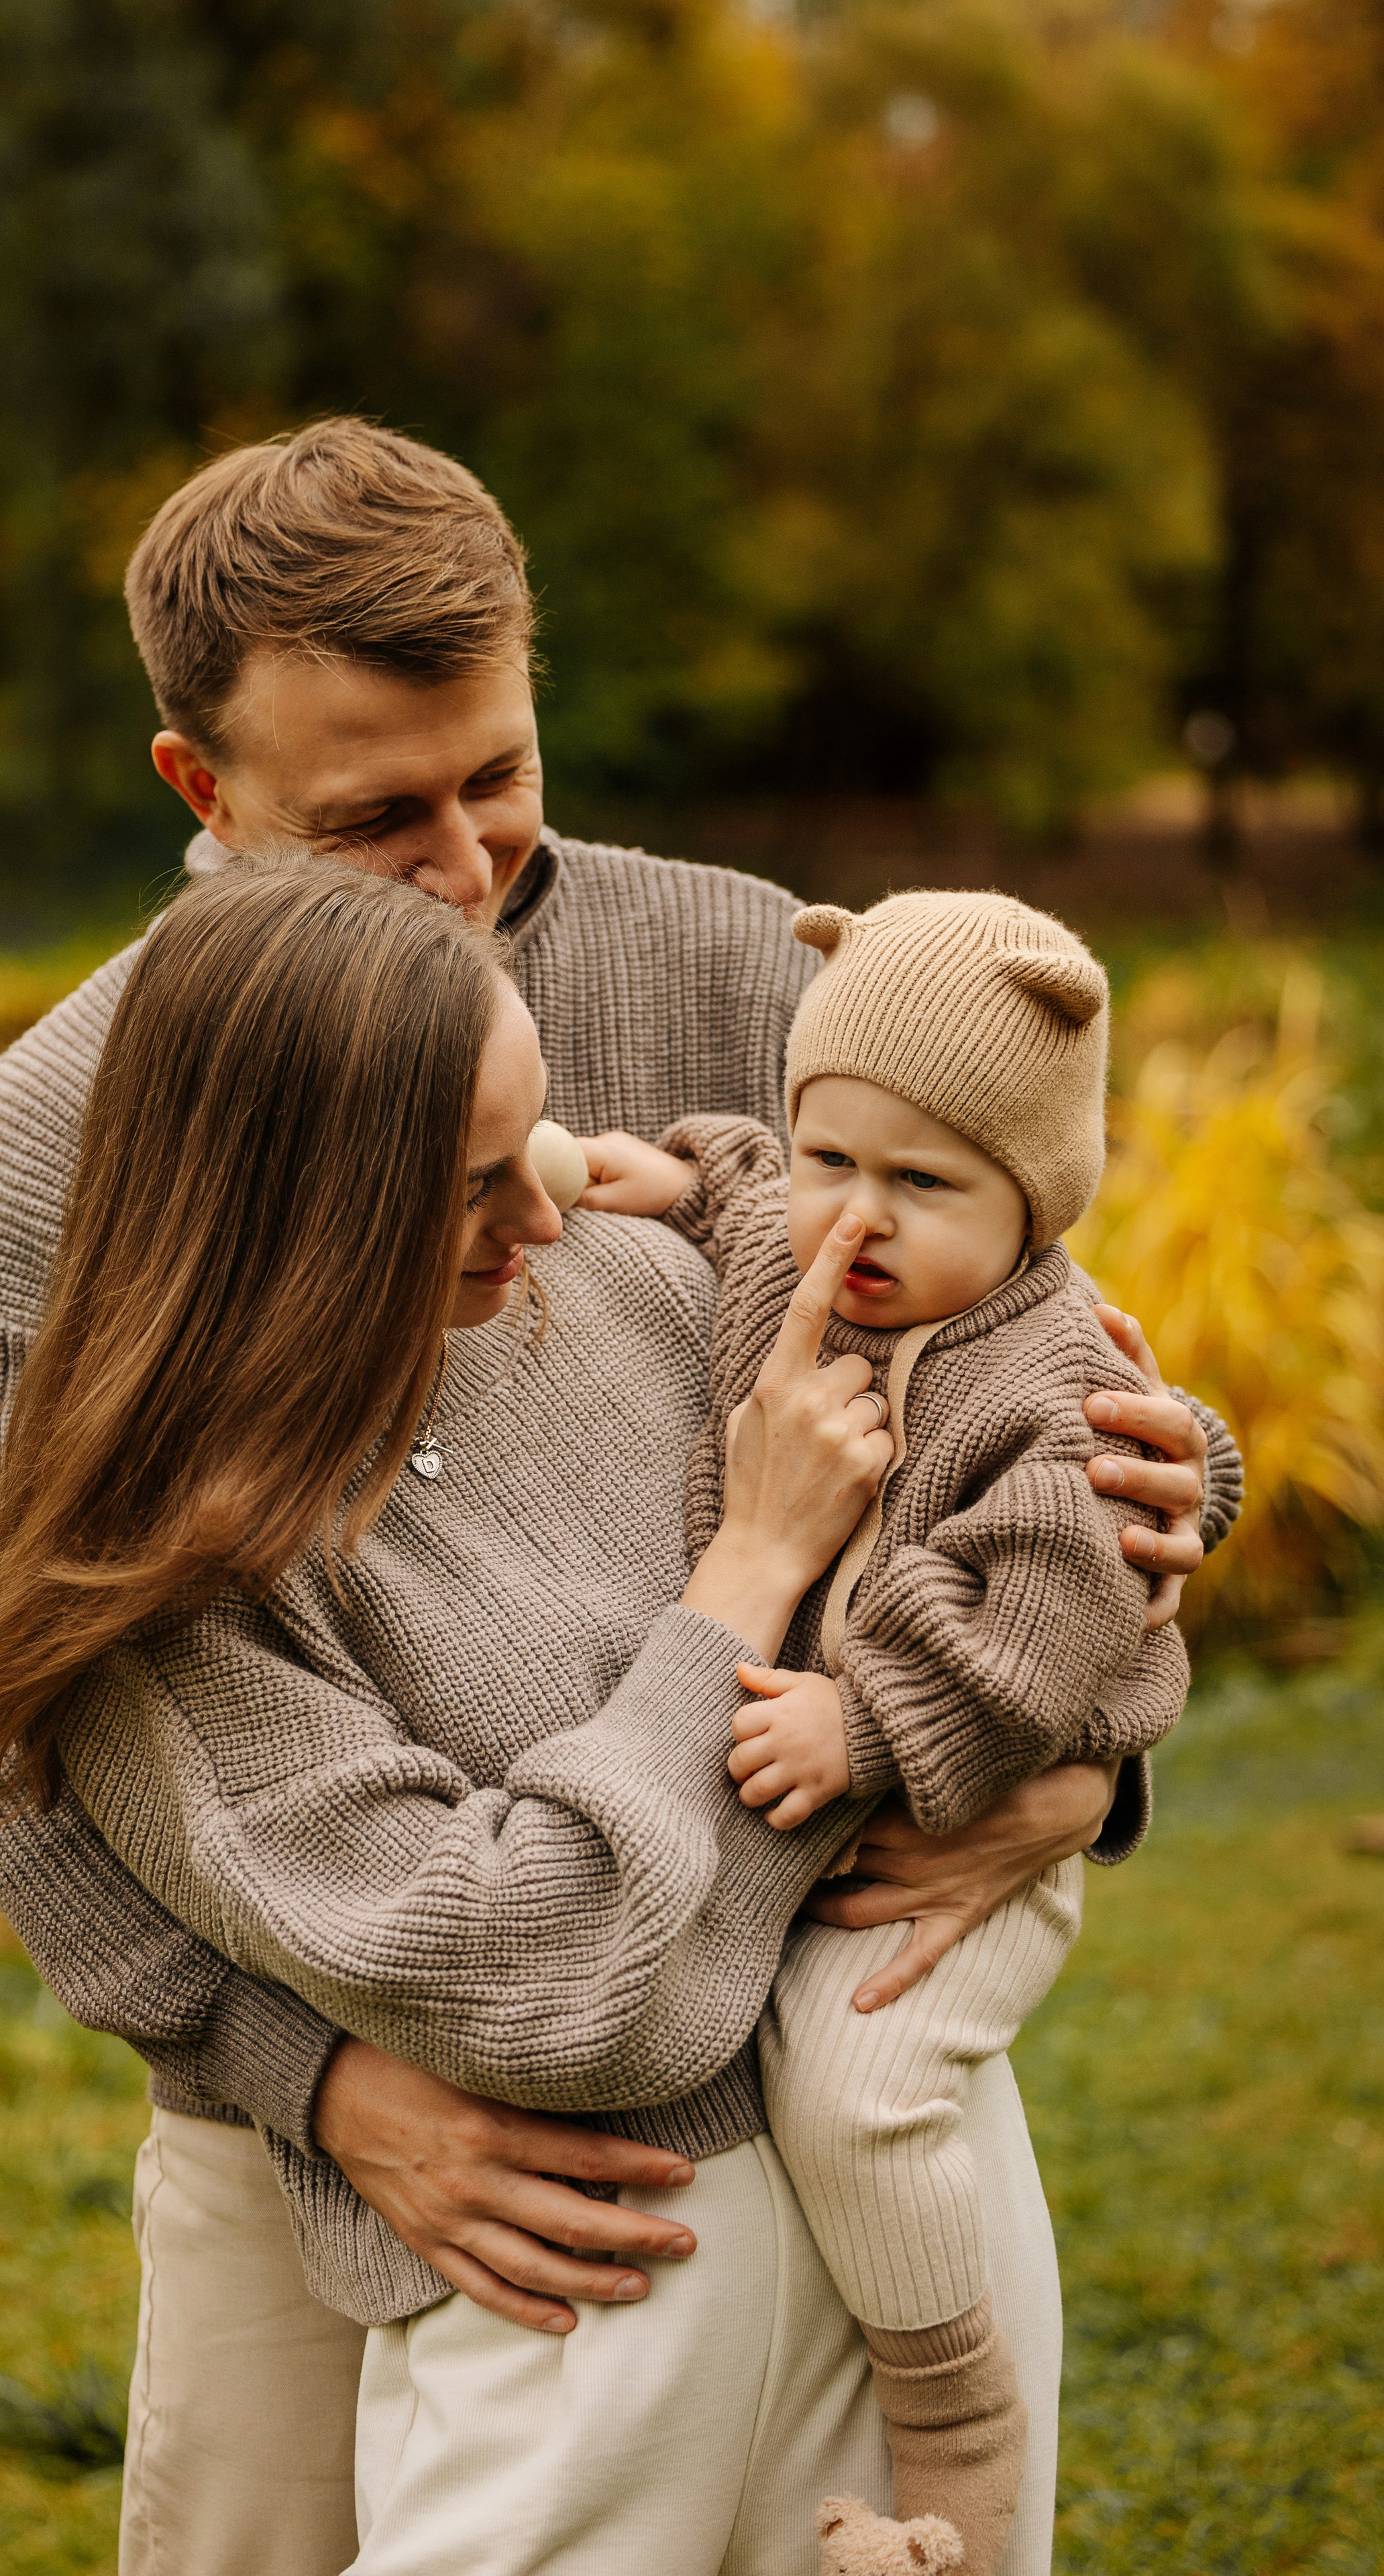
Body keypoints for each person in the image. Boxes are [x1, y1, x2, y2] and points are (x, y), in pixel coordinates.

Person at [0, 419, 1236, 2576]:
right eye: (374, 818)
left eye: (498, 777)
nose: (461, 867)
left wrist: (1064, 1748)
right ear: (198, 784)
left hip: (774, 2011)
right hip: (352, 2089)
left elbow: (995, 1373)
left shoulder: (755, 966)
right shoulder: (71, 1130)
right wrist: (321, 2081)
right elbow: (10, 1722)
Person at [576, 891, 1204, 2575]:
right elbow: (746, 1178)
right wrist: (675, 1176)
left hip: (969, 1831)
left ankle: (956, 2442)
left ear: (1030, 1200)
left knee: (855, 2090)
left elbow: (1044, 1636)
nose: (851, 1216)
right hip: (831, 1809)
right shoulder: (801, 1249)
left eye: (920, 1183)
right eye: (827, 1157)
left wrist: (866, 1724)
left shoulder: (1053, 1395)